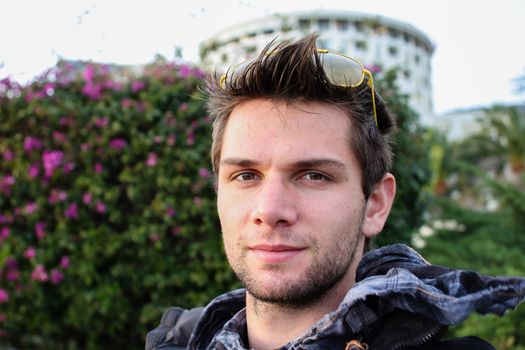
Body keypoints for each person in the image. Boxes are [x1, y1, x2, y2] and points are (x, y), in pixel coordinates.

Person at [146, 34, 525, 350]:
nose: (270, 209)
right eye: (246, 175)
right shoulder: (176, 340)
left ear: (375, 204)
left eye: (313, 175)